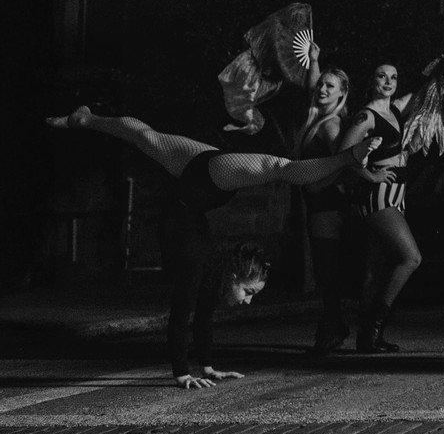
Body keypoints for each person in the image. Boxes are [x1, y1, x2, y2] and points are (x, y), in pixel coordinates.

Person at [45, 106, 379, 387]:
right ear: (234, 274)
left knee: (145, 136)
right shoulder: (201, 242)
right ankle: (348, 156)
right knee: (280, 168)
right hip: (201, 189)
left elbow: (204, 314)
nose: (247, 301)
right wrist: (182, 374)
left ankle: (85, 119)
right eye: (248, 291)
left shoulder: (212, 262)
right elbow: (181, 314)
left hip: (193, 187)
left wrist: (206, 367)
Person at [337, 64, 419, 354]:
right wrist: (371, 175)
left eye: (394, 77)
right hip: (378, 195)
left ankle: (367, 338)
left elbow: (426, 92)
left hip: (397, 195)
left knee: (375, 267)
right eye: (382, 76)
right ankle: (374, 328)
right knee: (411, 258)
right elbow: (344, 153)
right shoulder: (367, 115)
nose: (388, 81)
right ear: (371, 81)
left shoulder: (395, 109)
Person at [293, 58, 352, 356]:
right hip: (317, 203)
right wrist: (314, 60)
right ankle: (333, 326)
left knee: (326, 270)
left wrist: (319, 185)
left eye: (330, 86)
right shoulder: (317, 118)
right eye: (321, 85)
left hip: (327, 204)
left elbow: (345, 163)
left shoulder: (332, 124)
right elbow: (311, 90)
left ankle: (331, 330)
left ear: (342, 93)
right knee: (324, 267)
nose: (322, 89)